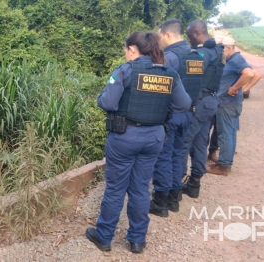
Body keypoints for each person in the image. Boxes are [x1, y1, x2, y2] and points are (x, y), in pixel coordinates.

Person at [85, 31, 191, 253]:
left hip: (125, 136)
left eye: (126, 50)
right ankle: (137, 240)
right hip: (154, 137)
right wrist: (160, 112)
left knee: (115, 188)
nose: (125, 54)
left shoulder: (125, 70)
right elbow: (183, 104)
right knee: (142, 187)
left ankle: (104, 236)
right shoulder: (170, 74)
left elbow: (107, 103)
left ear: (132, 49)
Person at [149, 19, 202, 217]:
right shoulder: (196, 55)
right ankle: (174, 196)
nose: (160, 40)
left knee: (163, 156)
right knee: (178, 154)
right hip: (189, 114)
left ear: (167, 35)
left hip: (171, 116)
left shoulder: (170, 57)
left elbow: (158, 87)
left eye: (160, 35)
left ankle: (160, 201)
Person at [180, 20, 225, 198]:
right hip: (210, 102)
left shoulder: (202, 53)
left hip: (198, 104)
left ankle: (175, 185)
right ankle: (194, 185)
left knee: (182, 143)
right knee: (200, 143)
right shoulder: (218, 50)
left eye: (190, 35)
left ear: (198, 33)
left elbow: (191, 79)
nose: (189, 39)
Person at [206, 36, 261, 176]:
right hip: (229, 103)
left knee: (225, 135)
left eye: (220, 49)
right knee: (229, 134)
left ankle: (223, 166)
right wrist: (244, 89)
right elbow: (254, 74)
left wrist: (236, 87)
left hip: (227, 104)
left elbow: (252, 74)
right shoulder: (233, 59)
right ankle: (225, 162)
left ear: (228, 48)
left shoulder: (236, 59)